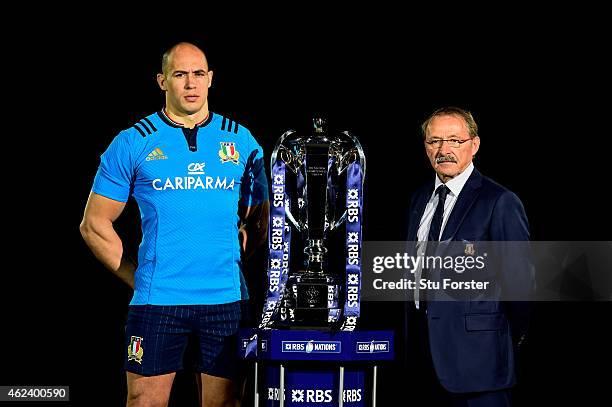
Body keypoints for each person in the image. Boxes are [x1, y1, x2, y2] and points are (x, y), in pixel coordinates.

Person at [80, 42, 269, 407]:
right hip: (158, 302)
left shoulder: (241, 141)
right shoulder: (133, 141)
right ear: (162, 81)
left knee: (226, 402)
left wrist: (229, 256)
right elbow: (94, 225)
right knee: (143, 401)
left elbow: (261, 221)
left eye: (198, 74)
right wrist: (139, 278)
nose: (190, 84)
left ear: (211, 79)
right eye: (180, 75)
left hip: (225, 302)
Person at [404, 107, 534, 406]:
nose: (443, 150)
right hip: (422, 362)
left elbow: (521, 285)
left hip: (479, 366)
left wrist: (499, 340)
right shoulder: (418, 199)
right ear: (425, 146)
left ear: (474, 145)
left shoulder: (499, 201)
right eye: (434, 141)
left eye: (454, 140)